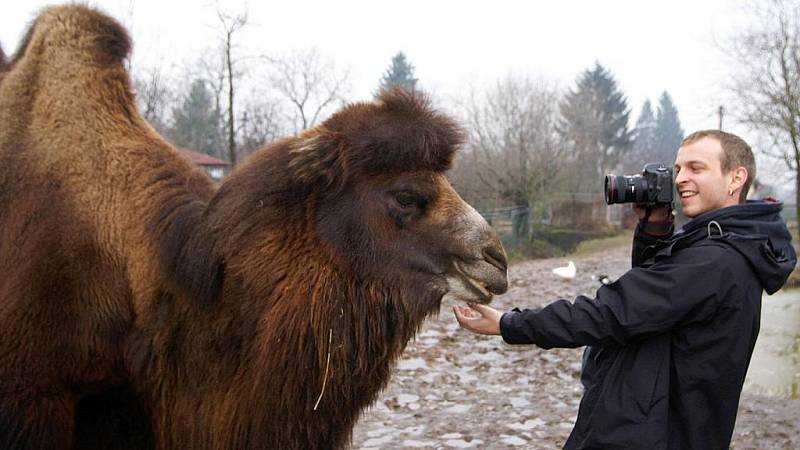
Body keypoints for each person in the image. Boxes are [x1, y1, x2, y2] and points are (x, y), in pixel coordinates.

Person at [454, 130, 797, 450]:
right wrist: (655, 231)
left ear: (735, 177)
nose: (680, 179)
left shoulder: (713, 261)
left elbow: (613, 312)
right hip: (676, 426)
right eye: (678, 169)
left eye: (696, 168)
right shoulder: (731, 244)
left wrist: (506, 324)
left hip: (651, 435)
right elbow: (658, 306)